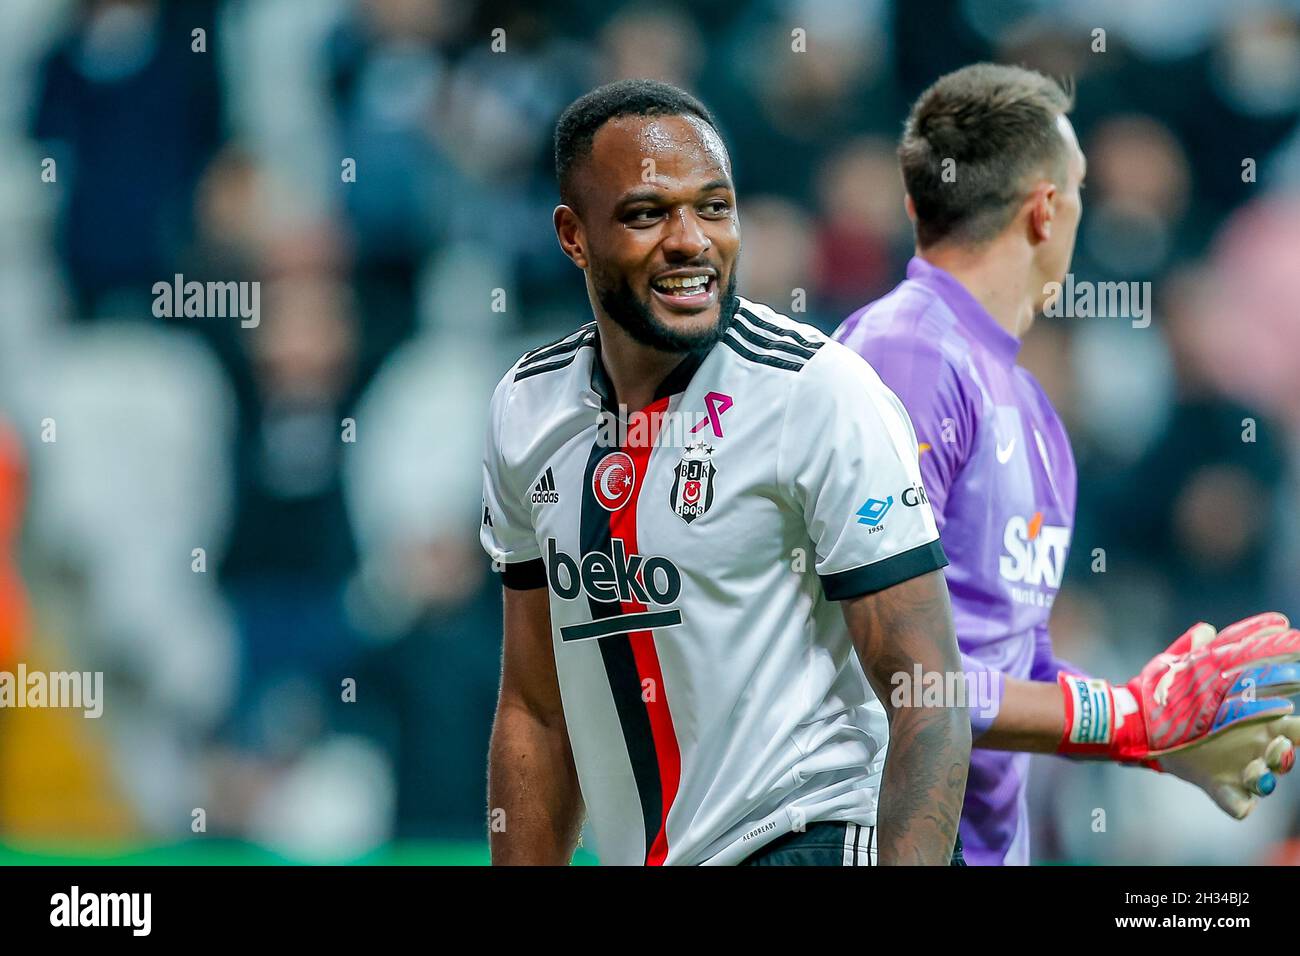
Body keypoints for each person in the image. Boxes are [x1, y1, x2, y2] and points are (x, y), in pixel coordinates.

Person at [480, 79, 970, 866]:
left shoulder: (816, 393)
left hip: (813, 835)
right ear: (573, 236)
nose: (692, 241)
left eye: (714, 207)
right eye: (648, 214)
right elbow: (537, 709)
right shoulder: (525, 410)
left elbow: (929, 693)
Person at [835, 63, 1300, 866]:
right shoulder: (905, 354)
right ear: (1048, 210)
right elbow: (894, 674)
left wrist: (1163, 733)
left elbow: (1015, 661)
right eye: (1083, 189)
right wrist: (1128, 717)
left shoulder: (1034, 409)